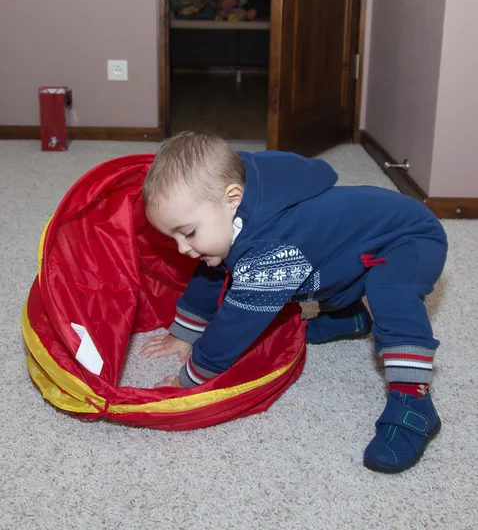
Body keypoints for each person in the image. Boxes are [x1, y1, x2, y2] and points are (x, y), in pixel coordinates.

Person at [141, 131, 447, 474]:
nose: (183, 248)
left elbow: (236, 326)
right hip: (357, 244)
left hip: (409, 238)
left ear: (232, 199)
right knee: (326, 253)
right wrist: (184, 332)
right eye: (174, 237)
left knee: (391, 293)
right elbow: (211, 274)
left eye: (188, 232)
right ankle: (348, 316)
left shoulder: (270, 246)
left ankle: (414, 404)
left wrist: (191, 378)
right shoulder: (231, 212)